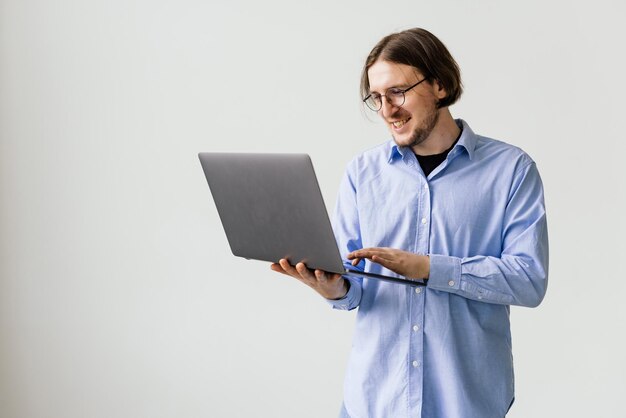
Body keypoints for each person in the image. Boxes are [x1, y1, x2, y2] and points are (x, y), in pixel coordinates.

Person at [270, 27, 548, 418]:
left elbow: (528, 280)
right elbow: (354, 289)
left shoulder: (511, 171)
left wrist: (430, 268)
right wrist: (332, 287)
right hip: (373, 402)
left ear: (439, 84)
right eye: (377, 98)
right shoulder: (361, 174)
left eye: (397, 92)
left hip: (465, 403)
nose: (387, 110)